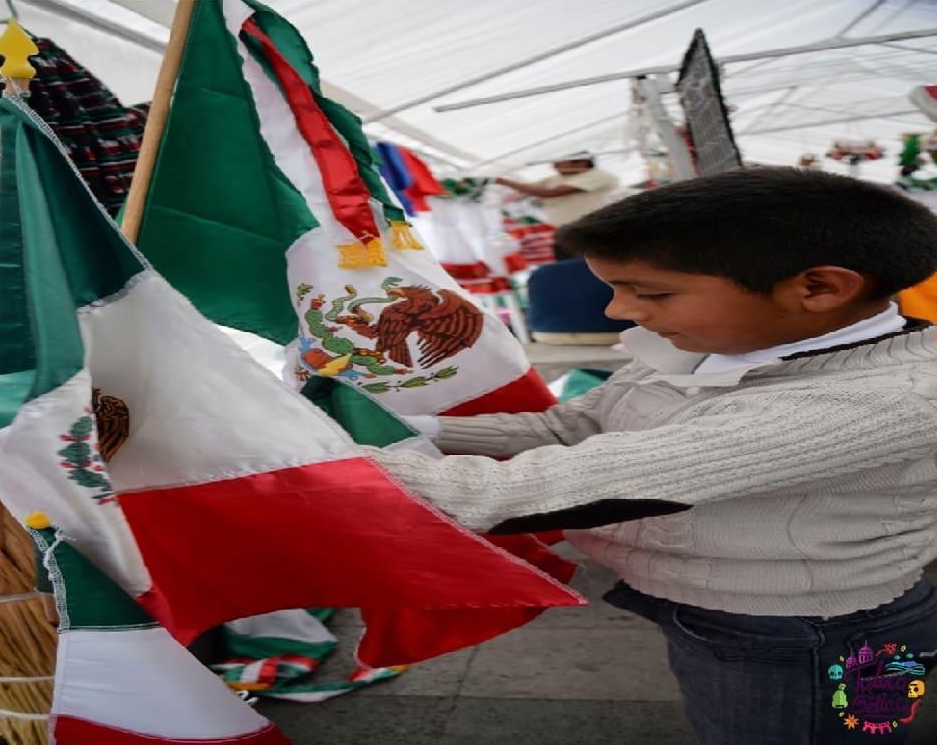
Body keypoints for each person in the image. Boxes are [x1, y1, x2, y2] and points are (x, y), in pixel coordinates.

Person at [372, 167, 937, 745]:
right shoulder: (713, 346)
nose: (618, 311)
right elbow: (572, 425)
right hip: (719, 610)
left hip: (809, 634)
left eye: (652, 293)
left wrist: (319, 468)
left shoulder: (884, 400)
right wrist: (411, 428)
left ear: (819, 288)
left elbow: (561, 486)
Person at [494, 151, 619, 260]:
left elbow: (552, 193)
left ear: (581, 162)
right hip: (566, 233)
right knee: (571, 268)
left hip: (590, 232)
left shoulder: (598, 176)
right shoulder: (556, 178)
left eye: (559, 162)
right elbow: (529, 189)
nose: (554, 166)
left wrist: (503, 181)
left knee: (594, 267)